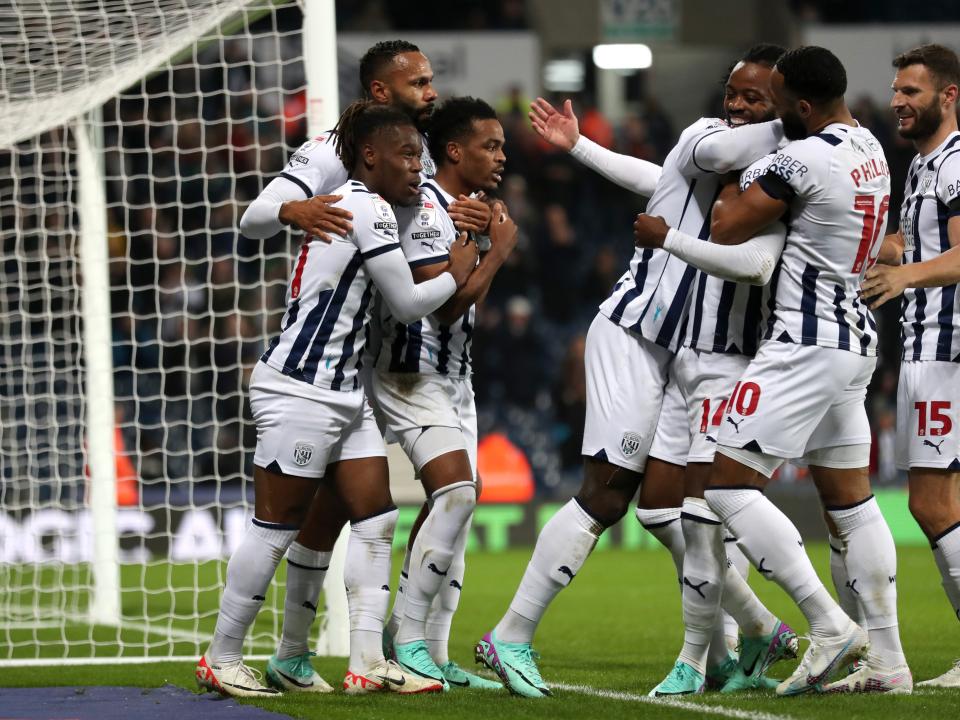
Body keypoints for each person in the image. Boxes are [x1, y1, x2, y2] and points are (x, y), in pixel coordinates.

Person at [475, 50, 789, 698]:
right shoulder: (709, 139)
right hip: (633, 333)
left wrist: (581, 147)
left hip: (685, 354)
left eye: (755, 98)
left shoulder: (765, 178)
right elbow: (684, 169)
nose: (738, 105)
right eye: (734, 92)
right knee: (608, 492)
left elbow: (658, 179)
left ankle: (749, 632)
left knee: (666, 510)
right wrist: (808, 126)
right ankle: (509, 635)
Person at [196, 101, 477, 698]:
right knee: (275, 527)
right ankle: (221, 656)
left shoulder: (372, 204)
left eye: (420, 156)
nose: (416, 167)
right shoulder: (364, 207)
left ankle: (365, 662)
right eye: (406, 155)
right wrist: (463, 268)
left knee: (375, 518)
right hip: (302, 388)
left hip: (345, 391)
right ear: (369, 157)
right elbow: (408, 304)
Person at [687, 46, 908, 696]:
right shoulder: (869, 147)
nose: (775, 113)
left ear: (803, 106)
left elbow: (726, 227)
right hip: (856, 341)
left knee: (726, 487)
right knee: (853, 502)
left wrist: (730, 164)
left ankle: (827, 625)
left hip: (805, 342)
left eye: (781, 101)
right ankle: (890, 662)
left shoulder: (803, 156)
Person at [373, 96, 516, 690]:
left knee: (456, 509)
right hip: (410, 373)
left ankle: (436, 649)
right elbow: (445, 303)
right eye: (491, 145)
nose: (502, 157)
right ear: (454, 151)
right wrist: (499, 254)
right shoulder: (425, 208)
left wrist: (486, 240)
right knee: (455, 494)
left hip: (456, 377)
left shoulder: (468, 209)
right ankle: (404, 637)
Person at [860, 43, 960, 689]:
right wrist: (870, 249)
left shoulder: (955, 167)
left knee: (930, 504)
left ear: (948, 96)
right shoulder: (923, 166)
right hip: (929, 349)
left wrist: (902, 277)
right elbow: (911, 239)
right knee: (939, 503)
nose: (898, 100)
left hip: (949, 352)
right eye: (896, 89)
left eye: (912, 91)